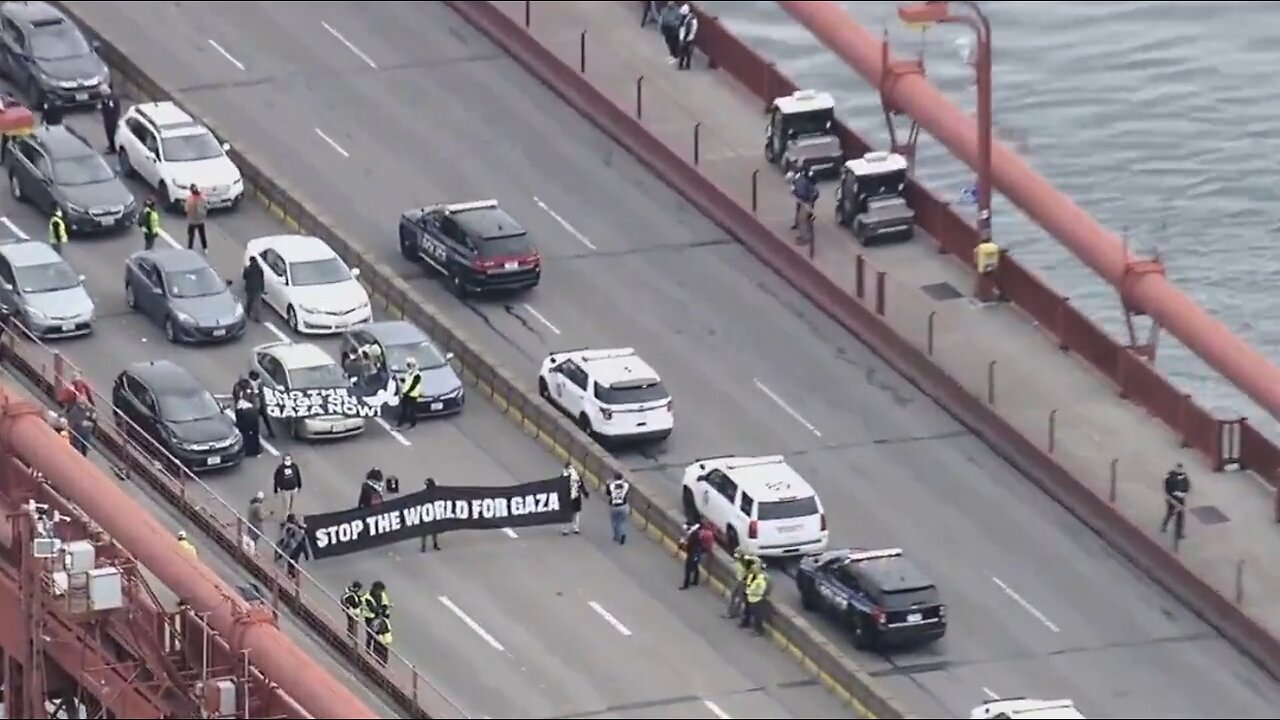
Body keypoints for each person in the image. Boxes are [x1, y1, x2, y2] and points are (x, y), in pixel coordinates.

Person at [1161, 462, 1191, 540]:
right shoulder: (1170, 476)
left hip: (1181, 499)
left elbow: (1187, 486)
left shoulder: (1184, 476)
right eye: (1178, 468)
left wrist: (1184, 493)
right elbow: (1166, 486)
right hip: (1172, 498)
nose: (1179, 470)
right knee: (1170, 513)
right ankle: (1164, 525)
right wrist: (1169, 495)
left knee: (1180, 516)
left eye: (1180, 468)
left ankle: (1179, 533)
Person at [233, 377, 261, 458]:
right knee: (255, 433)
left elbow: (236, 400)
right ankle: (256, 450)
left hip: (243, 413)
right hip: (252, 412)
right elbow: (255, 400)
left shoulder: (238, 390)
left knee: (244, 433)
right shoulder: (250, 389)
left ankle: (246, 450)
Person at [724, 549, 756, 619]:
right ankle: (734, 612)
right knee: (737, 597)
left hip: (741, 581)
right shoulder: (742, 561)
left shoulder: (746, 563)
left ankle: (731, 612)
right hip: (739, 580)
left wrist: (744, 580)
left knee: (736, 596)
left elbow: (748, 573)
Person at [277, 514, 310, 581]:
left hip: (294, 545)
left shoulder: (291, 527)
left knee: (292, 559)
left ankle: (291, 573)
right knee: (293, 559)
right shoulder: (295, 527)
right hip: (297, 545)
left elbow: (287, 538)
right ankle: (292, 573)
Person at [740, 562, 769, 634]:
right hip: (749, 596)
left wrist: (755, 593)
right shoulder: (751, 575)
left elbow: (762, 590)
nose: (752, 570)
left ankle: (759, 630)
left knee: (757, 615)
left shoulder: (761, 580)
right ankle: (746, 623)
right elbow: (747, 583)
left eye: (754, 569)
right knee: (747, 611)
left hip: (756, 598)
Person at [395, 357, 423, 429]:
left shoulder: (417, 375)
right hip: (407, 394)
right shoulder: (409, 373)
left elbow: (413, 385)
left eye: (409, 365)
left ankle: (409, 423)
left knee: (410, 410)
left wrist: (406, 392)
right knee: (405, 410)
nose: (407, 366)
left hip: (412, 395)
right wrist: (399, 379)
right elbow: (406, 381)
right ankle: (406, 424)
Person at [973, 234, 1002, 302]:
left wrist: (976, 264)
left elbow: (976, 258)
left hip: (982, 266)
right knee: (990, 281)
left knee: (981, 280)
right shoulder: (994, 247)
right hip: (992, 265)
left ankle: (980, 294)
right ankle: (988, 295)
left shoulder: (979, 248)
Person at [247, 370, 275, 439]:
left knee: (265, 418)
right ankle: (255, 434)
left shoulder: (259, 382)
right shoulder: (248, 383)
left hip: (261, 403)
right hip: (254, 404)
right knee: (255, 420)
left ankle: (271, 432)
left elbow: (263, 391)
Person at [561, 463, 587, 535]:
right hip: (576, 496)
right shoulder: (577, 476)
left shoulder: (563, 476)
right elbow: (581, 485)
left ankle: (565, 529)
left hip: (567, 497)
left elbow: (560, 487)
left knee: (566, 513)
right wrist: (585, 493)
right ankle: (576, 528)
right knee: (576, 513)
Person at [606, 472, 630, 545]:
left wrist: (607, 484)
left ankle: (616, 536)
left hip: (614, 506)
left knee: (614, 521)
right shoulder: (625, 485)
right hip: (623, 505)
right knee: (621, 522)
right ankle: (622, 534)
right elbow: (627, 492)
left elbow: (608, 493)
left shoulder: (611, 485)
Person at [679, 521, 704, 589]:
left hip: (692, 554)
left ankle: (686, 585)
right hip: (697, 553)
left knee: (688, 569)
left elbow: (688, 546)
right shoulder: (696, 533)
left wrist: (682, 544)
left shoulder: (692, 535)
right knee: (695, 566)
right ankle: (695, 581)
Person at [420, 477, 441, 552]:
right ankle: (427, 545)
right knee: (428, 531)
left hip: (430, 513)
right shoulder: (430, 494)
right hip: (428, 513)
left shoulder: (425, 494)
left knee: (430, 531)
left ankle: (426, 545)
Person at [185, 185, 208, 251]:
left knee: (191, 236)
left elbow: (186, 209)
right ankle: (205, 247)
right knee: (202, 234)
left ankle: (190, 249)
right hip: (200, 220)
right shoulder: (202, 198)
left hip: (192, 221)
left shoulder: (189, 199)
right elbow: (206, 206)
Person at [676, 4, 698, 70]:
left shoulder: (689, 20)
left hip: (687, 38)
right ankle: (687, 65)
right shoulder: (692, 18)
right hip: (690, 37)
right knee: (688, 53)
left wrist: (684, 40)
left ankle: (681, 65)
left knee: (683, 52)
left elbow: (687, 31)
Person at [242, 256, 264, 322]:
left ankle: (248, 313)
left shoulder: (248, 269)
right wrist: (262, 288)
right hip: (258, 288)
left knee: (249, 301)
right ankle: (257, 317)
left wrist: (244, 270)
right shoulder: (260, 269)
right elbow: (262, 279)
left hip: (250, 288)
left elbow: (244, 277)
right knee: (257, 303)